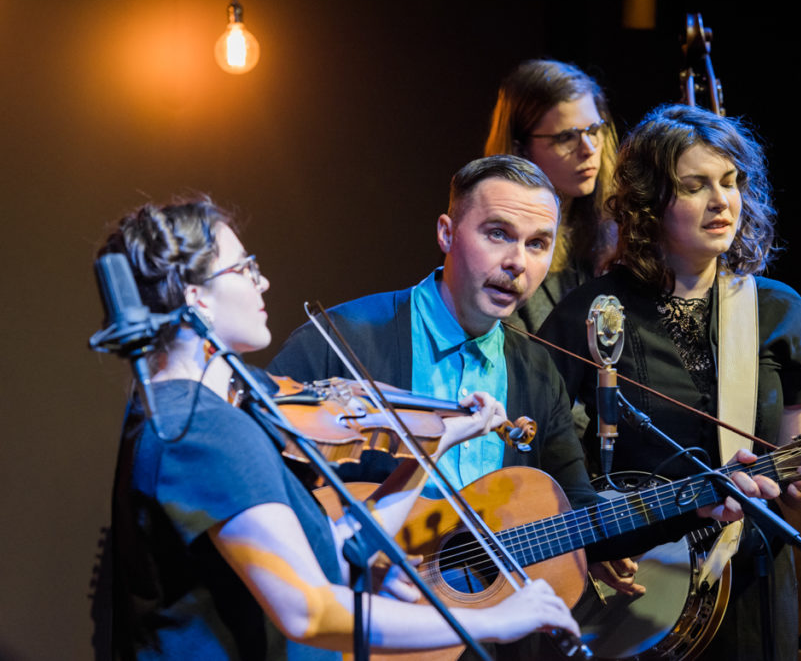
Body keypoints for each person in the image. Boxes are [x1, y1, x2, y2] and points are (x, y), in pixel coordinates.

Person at [268, 155, 779, 654]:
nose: (517, 262)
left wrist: (694, 506)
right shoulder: (345, 338)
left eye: (538, 244)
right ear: (447, 233)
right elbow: (258, 471)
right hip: (355, 628)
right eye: (497, 234)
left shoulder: (535, 368)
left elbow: (579, 517)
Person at [100, 196, 581, 660]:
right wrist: (494, 620)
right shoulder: (199, 429)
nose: (262, 282)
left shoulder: (187, 414)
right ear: (194, 297)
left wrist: (431, 446)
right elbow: (308, 609)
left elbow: (336, 551)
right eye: (244, 269)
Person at [538, 104, 801, 661]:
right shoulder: (593, 313)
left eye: (730, 182)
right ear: (649, 205)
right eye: (695, 186)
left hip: (753, 589)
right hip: (637, 595)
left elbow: (797, 483)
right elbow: (538, 455)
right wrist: (588, 544)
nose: (721, 201)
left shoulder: (781, 313)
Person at [484, 59, 619, 332]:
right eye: (566, 137)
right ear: (521, 149)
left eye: (594, 131)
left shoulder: (611, 229)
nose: (589, 149)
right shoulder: (493, 244)